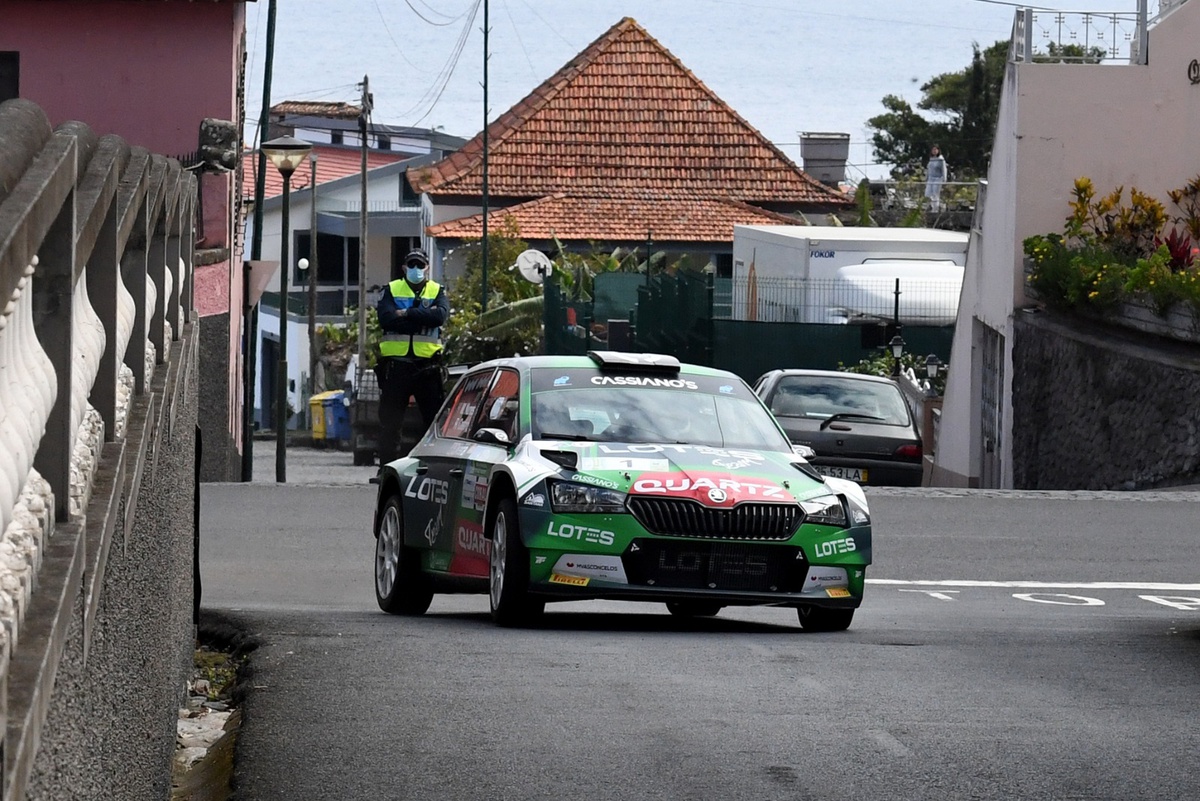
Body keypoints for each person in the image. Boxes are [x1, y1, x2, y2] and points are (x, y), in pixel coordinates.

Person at [373, 248, 450, 464]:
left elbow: (440, 316)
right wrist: (424, 317)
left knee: (433, 421)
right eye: (412, 265)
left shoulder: (437, 290)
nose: (416, 269)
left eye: (420, 265)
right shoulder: (391, 289)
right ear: (404, 268)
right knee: (390, 422)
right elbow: (387, 319)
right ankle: (386, 468)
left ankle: (432, 466)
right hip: (396, 367)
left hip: (427, 368)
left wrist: (406, 313)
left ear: (427, 268)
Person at [924, 145, 947, 212]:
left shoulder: (941, 159)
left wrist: (944, 179)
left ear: (938, 150)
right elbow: (928, 169)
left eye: (935, 149)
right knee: (927, 193)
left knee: (935, 194)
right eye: (933, 149)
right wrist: (926, 177)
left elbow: (944, 169)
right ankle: (931, 207)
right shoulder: (931, 159)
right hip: (930, 179)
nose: (934, 151)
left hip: (938, 178)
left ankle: (935, 209)